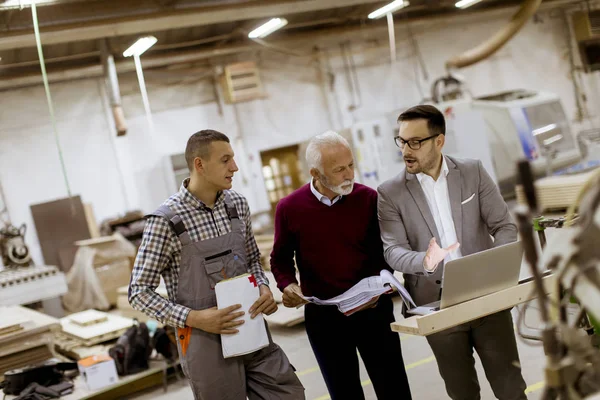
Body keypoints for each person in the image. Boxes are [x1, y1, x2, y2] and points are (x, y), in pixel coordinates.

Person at [129, 130, 305, 400]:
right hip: (205, 346)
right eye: (225, 160)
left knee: (288, 394)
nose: (234, 167)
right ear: (200, 164)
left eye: (233, 158)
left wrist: (263, 287)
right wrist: (194, 318)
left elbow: (253, 261)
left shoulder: (237, 205)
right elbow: (139, 291)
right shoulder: (166, 221)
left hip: (252, 332)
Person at [377, 105, 528, 400]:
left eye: (415, 142)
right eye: (402, 141)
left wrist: (495, 269)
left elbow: (504, 226)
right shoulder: (389, 193)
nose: (406, 150)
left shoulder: (473, 172)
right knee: (462, 393)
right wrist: (424, 260)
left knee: (511, 388)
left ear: (439, 141)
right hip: (436, 306)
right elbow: (392, 250)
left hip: (486, 298)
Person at [270, 131, 412, 400]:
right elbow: (279, 259)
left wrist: (380, 285)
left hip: (373, 311)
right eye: (339, 170)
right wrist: (287, 284)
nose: (349, 175)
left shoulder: (368, 199)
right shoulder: (289, 208)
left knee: (394, 388)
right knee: (344, 393)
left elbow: (385, 253)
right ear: (316, 173)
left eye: (350, 166)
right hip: (325, 319)